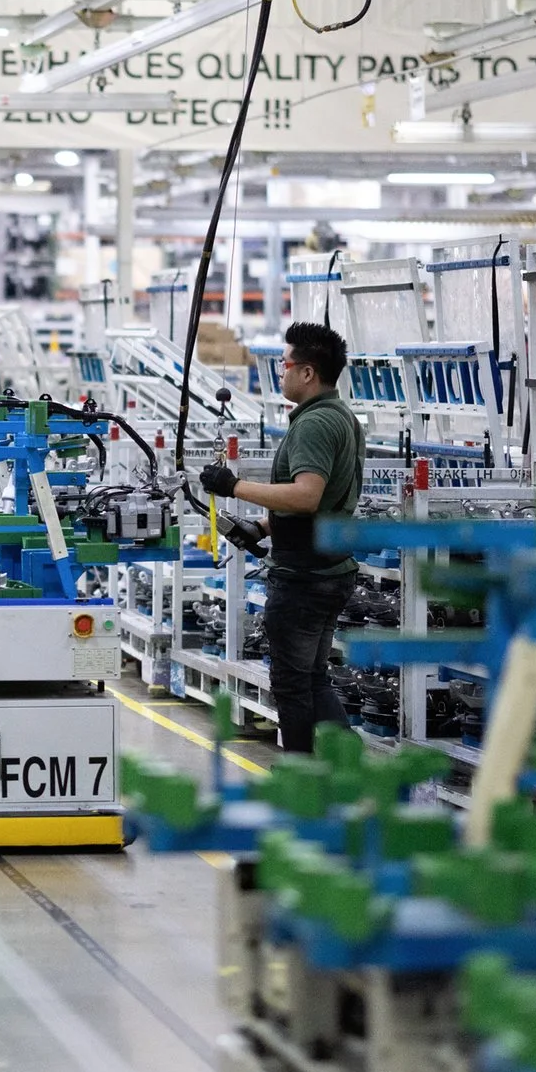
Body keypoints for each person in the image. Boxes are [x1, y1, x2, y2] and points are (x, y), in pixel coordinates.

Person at [199, 322, 365, 759]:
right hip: (329, 567)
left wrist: (233, 486)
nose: (281, 373)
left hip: (305, 578)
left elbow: (307, 495)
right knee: (311, 679)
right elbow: (328, 500)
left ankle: (300, 778)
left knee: (292, 685)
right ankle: (349, 769)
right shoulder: (341, 416)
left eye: (286, 365)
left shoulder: (315, 424)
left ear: (308, 372)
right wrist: (264, 526)